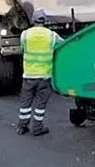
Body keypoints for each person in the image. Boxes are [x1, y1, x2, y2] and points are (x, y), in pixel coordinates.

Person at [18, 8, 63, 137]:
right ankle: (37, 127)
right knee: (40, 103)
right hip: (44, 76)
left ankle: (22, 126)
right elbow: (63, 45)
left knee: (26, 102)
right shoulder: (52, 35)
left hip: (29, 76)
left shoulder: (25, 35)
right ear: (45, 21)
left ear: (33, 20)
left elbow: (23, 48)